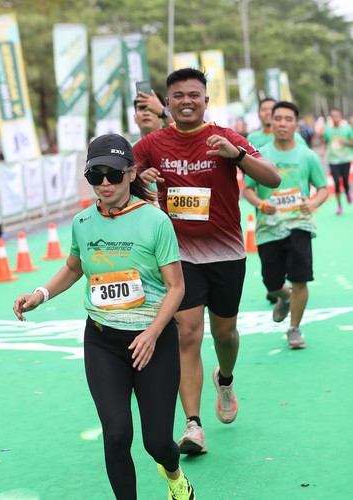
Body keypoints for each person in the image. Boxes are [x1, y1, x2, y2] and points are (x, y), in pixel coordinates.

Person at [13, 134, 195, 500]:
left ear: (131, 173)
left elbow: (176, 287)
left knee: (157, 442)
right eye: (95, 176)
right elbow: (74, 266)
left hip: (153, 342)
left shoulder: (156, 221)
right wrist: (40, 294)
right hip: (102, 341)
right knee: (116, 434)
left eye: (113, 174)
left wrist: (152, 334)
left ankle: (174, 475)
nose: (105, 184)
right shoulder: (82, 221)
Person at [133, 67, 281, 456]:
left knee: (225, 334)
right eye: (178, 96)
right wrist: (138, 180)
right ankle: (193, 425)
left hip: (226, 252)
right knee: (188, 334)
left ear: (206, 100)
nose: (186, 101)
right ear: (167, 103)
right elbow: (117, 178)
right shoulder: (151, 143)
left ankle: (225, 379)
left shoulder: (227, 137)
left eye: (194, 95)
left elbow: (273, 178)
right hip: (179, 255)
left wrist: (238, 156)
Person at [243, 101, 328, 349]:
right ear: (271, 122)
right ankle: (285, 296)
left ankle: (294, 328)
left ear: (296, 124)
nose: (282, 123)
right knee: (271, 282)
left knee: (300, 279)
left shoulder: (307, 155)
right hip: (268, 228)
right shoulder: (259, 155)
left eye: (288, 119)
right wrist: (261, 204)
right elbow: (247, 189)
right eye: (278, 118)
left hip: (300, 224)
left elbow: (323, 188)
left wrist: (313, 203)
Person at [320, 108, 353, 215]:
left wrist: (344, 142)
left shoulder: (347, 129)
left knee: (345, 181)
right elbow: (325, 141)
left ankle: (347, 191)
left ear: (340, 116)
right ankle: (339, 206)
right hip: (333, 161)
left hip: (345, 159)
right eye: (333, 116)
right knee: (337, 183)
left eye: (337, 116)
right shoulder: (328, 130)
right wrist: (323, 151)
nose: (335, 118)